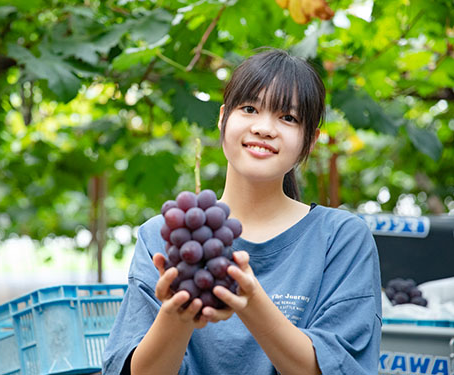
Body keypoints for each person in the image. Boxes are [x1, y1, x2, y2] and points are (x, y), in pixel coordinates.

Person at [103, 48, 382, 375]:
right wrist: (176, 315)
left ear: (311, 141)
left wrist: (250, 302)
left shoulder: (341, 239)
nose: (264, 128)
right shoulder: (164, 237)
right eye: (249, 108)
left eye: (288, 117)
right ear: (223, 118)